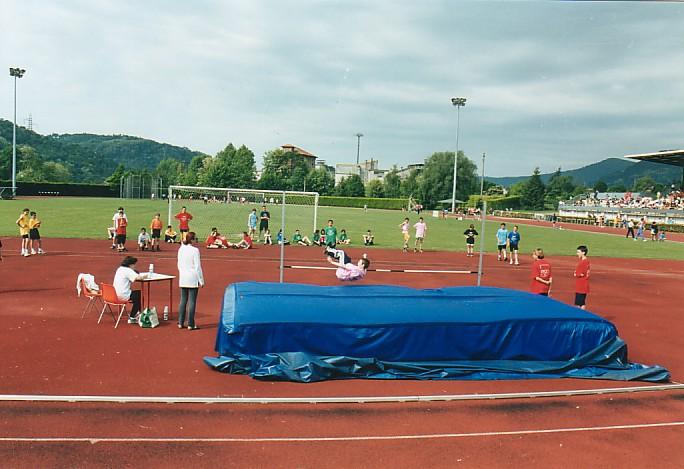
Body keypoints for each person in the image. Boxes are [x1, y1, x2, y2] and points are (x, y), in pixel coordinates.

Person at [177, 232, 204, 330]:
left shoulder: (181, 249)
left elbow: (178, 264)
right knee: (192, 301)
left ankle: (180, 322)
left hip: (183, 276)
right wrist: (201, 280)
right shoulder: (195, 250)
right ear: (192, 240)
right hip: (192, 277)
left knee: (183, 300)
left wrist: (182, 272)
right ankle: (191, 324)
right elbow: (197, 266)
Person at [113, 256, 148, 324]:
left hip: (114, 294)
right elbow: (138, 278)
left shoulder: (120, 269)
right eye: (134, 264)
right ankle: (133, 316)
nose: (135, 266)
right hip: (123, 295)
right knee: (139, 295)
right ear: (131, 264)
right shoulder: (128, 270)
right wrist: (146, 275)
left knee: (136, 294)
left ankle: (138, 312)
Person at [574, 245, 591, 310]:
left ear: (583, 252)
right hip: (585, 284)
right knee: (582, 303)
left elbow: (579, 274)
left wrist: (575, 274)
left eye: (578, 252)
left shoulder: (582, 262)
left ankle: (579, 316)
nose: (577, 254)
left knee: (578, 304)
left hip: (580, 286)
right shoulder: (587, 261)